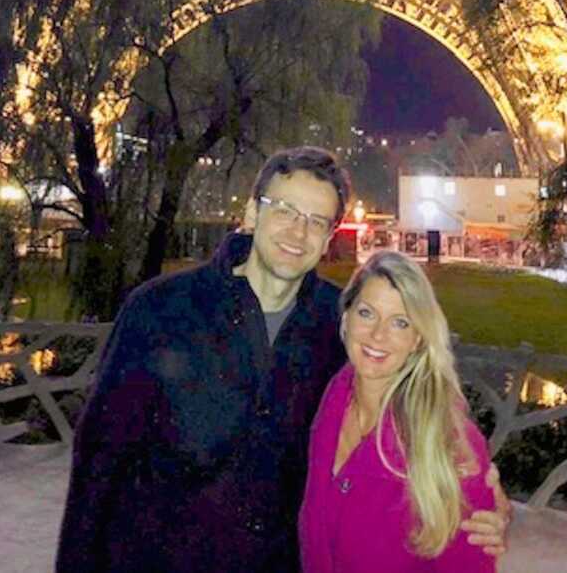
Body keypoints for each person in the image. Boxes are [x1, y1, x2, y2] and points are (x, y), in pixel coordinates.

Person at [55, 147, 509, 573]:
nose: (298, 231)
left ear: (330, 237)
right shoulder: (158, 310)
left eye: (316, 220)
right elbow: (99, 463)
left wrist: (479, 497)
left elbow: (406, 400)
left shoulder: (343, 327)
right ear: (253, 212)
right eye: (286, 210)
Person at [299, 252, 500, 572]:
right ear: (346, 317)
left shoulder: (448, 441)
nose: (378, 335)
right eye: (367, 313)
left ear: (418, 338)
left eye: (400, 322)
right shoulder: (329, 403)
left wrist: (496, 505)